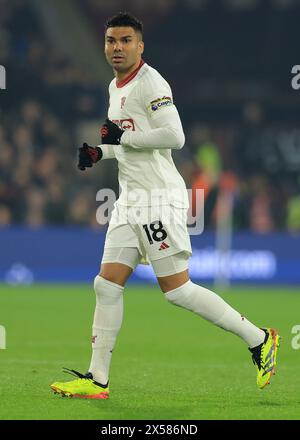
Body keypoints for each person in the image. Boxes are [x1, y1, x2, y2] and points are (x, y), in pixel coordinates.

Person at [51, 12, 280, 399]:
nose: (117, 47)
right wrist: (100, 152)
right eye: (111, 41)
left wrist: (121, 139)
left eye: (125, 41)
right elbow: (126, 142)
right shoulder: (114, 86)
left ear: (140, 45)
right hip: (130, 201)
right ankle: (97, 378)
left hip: (159, 199)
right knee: (106, 284)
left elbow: (175, 136)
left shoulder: (150, 82)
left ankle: (259, 339)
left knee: (177, 291)